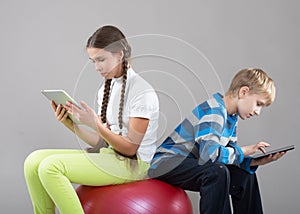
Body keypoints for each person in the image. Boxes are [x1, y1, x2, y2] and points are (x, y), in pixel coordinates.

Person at [24, 25, 159, 214]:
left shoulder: (142, 92)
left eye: (101, 60)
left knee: (50, 167)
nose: (97, 67)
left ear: (120, 54)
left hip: (135, 165)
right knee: (33, 161)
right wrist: (71, 125)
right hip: (111, 157)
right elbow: (104, 143)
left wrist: (94, 123)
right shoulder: (106, 89)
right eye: (93, 61)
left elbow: (130, 148)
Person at [148, 68, 286, 214]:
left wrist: (252, 162)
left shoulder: (231, 118)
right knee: (217, 172)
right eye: (258, 104)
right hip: (165, 163)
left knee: (245, 176)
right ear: (243, 92)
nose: (258, 112)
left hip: (192, 163)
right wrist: (244, 151)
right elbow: (211, 154)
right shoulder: (214, 112)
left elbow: (229, 154)